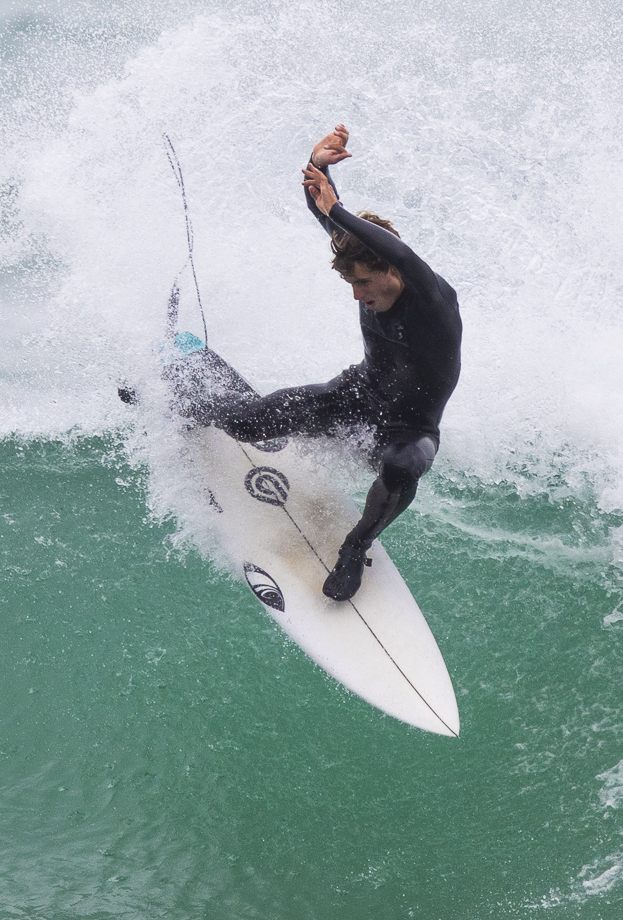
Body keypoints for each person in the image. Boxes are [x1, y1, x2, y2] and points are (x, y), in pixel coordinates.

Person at [176, 125, 463, 601]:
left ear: (391, 272)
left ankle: (355, 549)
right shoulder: (364, 262)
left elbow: (404, 253)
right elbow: (327, 213)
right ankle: (185, 400)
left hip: (410, 428)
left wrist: (339, 209)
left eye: (364, 284)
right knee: (250, 424)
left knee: (401, 468)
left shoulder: (431, 300)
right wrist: (319, 167)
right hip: (359, 394)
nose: (357, 295)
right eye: (351, 286)